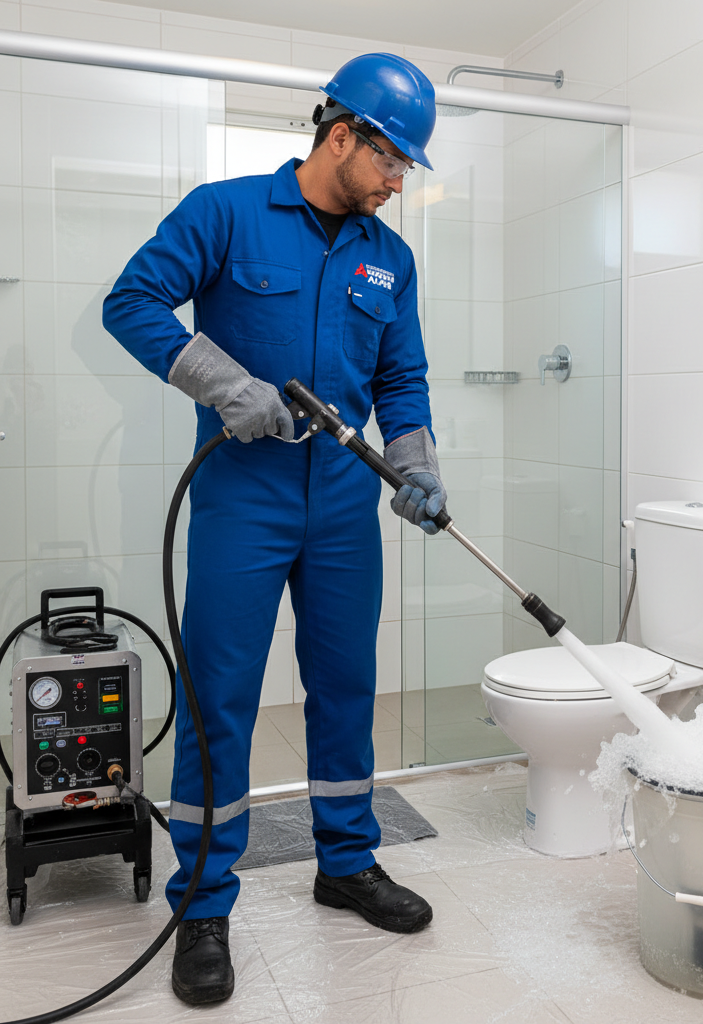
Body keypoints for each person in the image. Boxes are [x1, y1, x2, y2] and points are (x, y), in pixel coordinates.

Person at [102, 53, 446, 1006]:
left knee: (345, 681)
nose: (398, 179)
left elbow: (400, 378)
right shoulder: (224, 212)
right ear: (343, 136)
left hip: (342, 497)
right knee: (221, 695)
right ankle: (204, 900)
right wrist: (227, 387)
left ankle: (346, 860)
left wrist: (413, 463)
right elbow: (129, 303)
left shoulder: (391, 257)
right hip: (241, 495)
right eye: (392, 159)